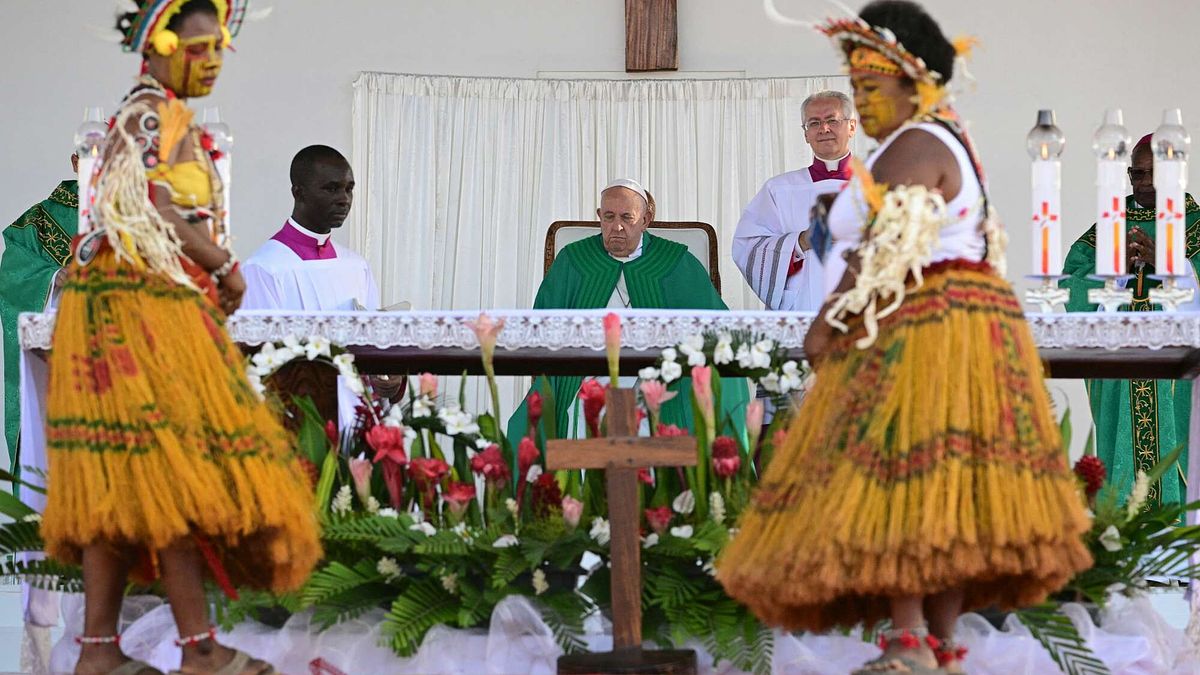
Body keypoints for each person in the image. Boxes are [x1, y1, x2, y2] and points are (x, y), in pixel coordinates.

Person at [716, 3, 1091, 673]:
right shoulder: (940, 136)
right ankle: (936, 643)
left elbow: (882, 251)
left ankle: (910, 639)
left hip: (923, 328)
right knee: (939, 484)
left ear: (915, 79)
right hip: (952, 324)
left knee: (900, 477)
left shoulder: (916, 143)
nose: (859, 96)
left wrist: (827, 323)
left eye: (870, 84)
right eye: (853, 83)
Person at [41, 2, 320, 674]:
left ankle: (101, 653)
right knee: (173, 469)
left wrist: (206, 264)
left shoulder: (159, 112)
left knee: (132, 474)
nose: (214, 59)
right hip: (135, 308)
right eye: (199, 47)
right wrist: (222, 262)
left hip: (132, 300)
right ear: (160, 48)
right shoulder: (148, 113)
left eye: (220, 46)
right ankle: (200, 650)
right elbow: (153, 209)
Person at [506, 179, 749, 441]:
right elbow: (542, 325)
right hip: (587, 379)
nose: (617, 226)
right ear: (599, 216)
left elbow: (718, 326)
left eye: (627, 218)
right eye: (608, 217)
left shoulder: (675, 262)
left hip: (657, 381)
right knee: (565, 419)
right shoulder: (574, 260)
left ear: (646, 219)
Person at [1060, 134, 1200, 507]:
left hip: (1179, 377)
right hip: (1120, 373)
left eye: (1151, 174)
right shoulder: (1110, 224)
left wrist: (1173, 266)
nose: (1141, 184)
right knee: (1122, 482)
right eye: (1135, 174)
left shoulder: (1196, 225)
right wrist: (1112, 271)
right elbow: (1069, 285)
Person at [733, 90, 857, 311]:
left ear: (851, 127)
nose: (824, 129)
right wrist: (802, 241)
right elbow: (748, 248)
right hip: (803, 307)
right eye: (814, 123)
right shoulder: (780, 189)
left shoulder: (880, 184)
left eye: (832, 120)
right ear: (806, 134)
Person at [1, 158, 78, 487]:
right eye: (91, 154)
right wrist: (54, 277)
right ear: (76, 162)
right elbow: (12, 276)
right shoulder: (43, 220)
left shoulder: (136, 219)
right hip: (58, 362)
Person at [240, 145, 380, 312]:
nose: (344, 199)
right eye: (331, 189)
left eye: (349, 189)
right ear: (299, 193)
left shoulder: (357, 266)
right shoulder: (264, 268)